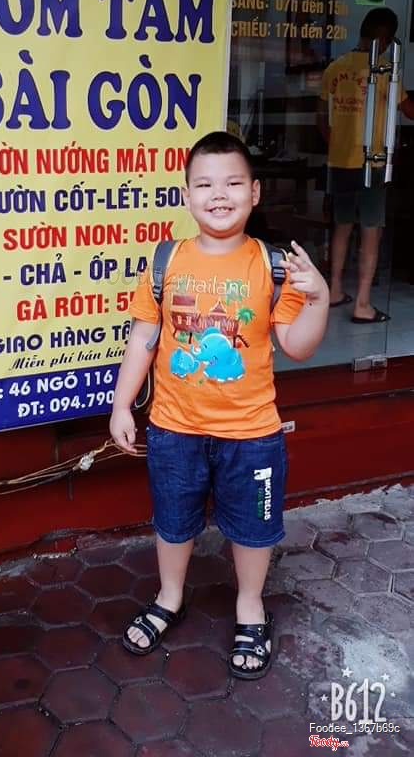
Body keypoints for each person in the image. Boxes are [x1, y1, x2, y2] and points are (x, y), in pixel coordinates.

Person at [109, 132, 329, 679]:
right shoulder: (166, 261)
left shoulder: (271, 266)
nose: (219, 194)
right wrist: (121, 406)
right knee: (172, 521)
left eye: (233, 183)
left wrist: (319, 297)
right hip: (173, 428)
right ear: (187, 195)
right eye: (205, 184)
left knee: (254, 528)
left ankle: (250, 605)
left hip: (251, 434)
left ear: (254, 192)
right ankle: (169, 597)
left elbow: (298, 345)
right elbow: (143, 339)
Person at [318, 7, 414, 322]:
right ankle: (362, 304)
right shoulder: (384, 71)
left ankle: (334, 290)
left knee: (342, 226)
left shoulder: (335, 68)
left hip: (340, 161)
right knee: (371, 231)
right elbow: (409, 111)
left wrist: (339, 146)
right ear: (385, 39)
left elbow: (322, 119)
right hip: (373, 162)